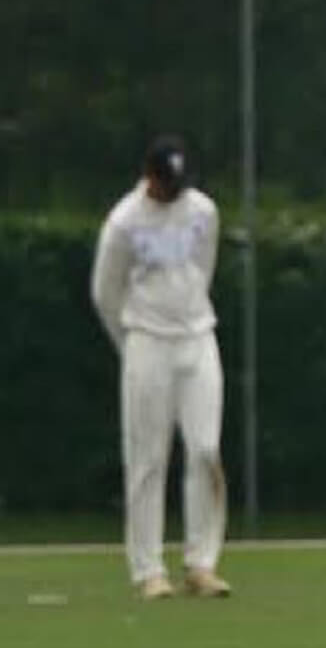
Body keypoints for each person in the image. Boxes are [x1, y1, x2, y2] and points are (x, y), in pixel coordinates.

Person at [91, 134, 231, 600]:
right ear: (149, 177)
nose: (174, 194)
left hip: (197, 336)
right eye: (167, 185)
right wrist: (131, 342)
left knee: (206, 448)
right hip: (146, 342)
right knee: (148, 457)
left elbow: (202, 269)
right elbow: (106, 293)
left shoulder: (202, 211)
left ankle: (202, 563)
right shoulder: (124, 223)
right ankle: (148, 569)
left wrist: (189, 313)